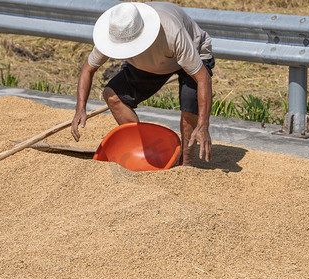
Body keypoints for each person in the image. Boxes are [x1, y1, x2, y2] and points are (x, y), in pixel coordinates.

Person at [71, 1, 214, 166]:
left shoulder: (171, 32)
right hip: (151, 61)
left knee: (189, 104)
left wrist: (203, 124)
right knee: (113, 96)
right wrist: (80, 109)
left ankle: (186, 163)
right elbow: (88, 69)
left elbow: (203, 78)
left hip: (193, 53)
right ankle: (143, 153)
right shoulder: (117, 31)